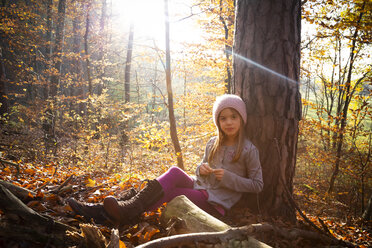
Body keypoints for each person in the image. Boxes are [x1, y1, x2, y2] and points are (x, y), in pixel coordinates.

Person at [68, 94, 263, 226]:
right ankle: (122, 209)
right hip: (201, 188)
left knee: (172, 192)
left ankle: (110, 212)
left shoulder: (248, 149)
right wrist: (200, 170)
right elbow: (201, 176)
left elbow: (257, 185)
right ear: (218, 122)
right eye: (223, 118)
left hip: (215, 203)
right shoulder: (213, 143)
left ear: (241, 119)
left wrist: (229, 177)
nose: (228, 122)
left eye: (233, 117)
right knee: (175, 172)